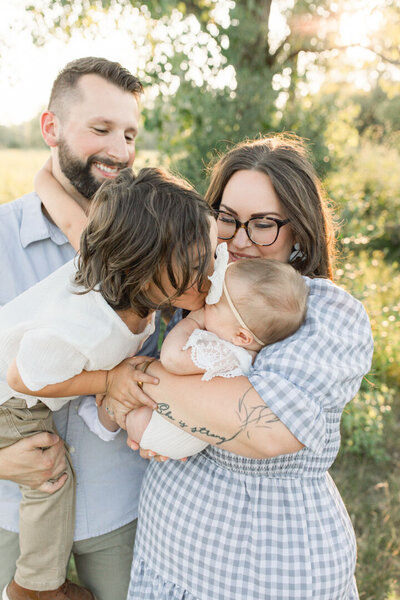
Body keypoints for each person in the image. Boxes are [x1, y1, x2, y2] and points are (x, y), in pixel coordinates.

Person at [119, 134, 374, 600]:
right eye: (228, 218)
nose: (238, 240)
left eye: (263, 224)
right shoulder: (195, 288)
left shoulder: (323, 310)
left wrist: (134, 381)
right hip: (168, 550)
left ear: (299, 231)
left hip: (265, 564)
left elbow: (269, 428)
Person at [0, 166, 214, 600]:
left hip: (30, 380)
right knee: (51, 477)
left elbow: (73, 220)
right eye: (194, 268)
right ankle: (35, 586)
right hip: (11, 396)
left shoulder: (128, 281)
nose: (208, 275)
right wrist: (107, 379)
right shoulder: (89, 321)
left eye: (210, 255)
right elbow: (23, 375)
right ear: (143, 267)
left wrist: (46, 179)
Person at [0, 56, 159, 600]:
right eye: (101, 129)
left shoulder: (151, 246)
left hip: (123, 511)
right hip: (10, 515)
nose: (120, 150)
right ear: (51, 128)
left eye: (130, 133)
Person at [126, 245, 309, 459]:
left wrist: (193, 320)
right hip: (182, 421)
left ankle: (100, 419)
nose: (206, 303)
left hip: (168, 429)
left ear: (241, 337)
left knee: (127, 412)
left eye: (214, 304)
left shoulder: (225, 354)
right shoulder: (232, 345)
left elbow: (172, 359)